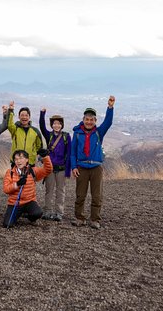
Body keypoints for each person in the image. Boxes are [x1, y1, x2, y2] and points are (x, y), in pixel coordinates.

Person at [70, 95, 116, 230]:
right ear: (83, 120)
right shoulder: (77, 133)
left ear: (95, 121)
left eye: (91, 120)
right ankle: (80, 218)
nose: (89, 122)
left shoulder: (98, 132)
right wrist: (74, 167)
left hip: (96, 167)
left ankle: (95, 219)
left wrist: (110, 107)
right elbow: (72, 152)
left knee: (97, 196)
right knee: (80, 195)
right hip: (82, 167)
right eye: (87, 119)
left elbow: (108, 122)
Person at [2, 149, 53, 228]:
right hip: (15, 203)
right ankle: (19, 214)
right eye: (16, 159)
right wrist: (17, 184)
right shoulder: (10, 172)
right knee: (7, 224)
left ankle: (29, 217)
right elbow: (6, 189)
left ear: (27, 160)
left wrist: (45, 157)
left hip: (29, 201)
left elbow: (48, 170)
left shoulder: (32, 171)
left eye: (21, 158)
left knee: (38, 213)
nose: (18, 161)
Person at [39, 109, 72, 222]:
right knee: (49, 190)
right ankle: (47, 211)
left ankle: (59, 213)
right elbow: (42, 126)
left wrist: (68, 171)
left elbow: (69, 153)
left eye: (58, 123)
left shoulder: (66, 136)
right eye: (54, 123)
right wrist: (42, 114)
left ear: (61, 125)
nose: (56, 125)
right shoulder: (49, 135)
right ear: (52, 125)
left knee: (60, 191)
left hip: (62, 168)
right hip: (50, 168)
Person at [7, 101, 44, 166]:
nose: (24, 117)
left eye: (26, 115)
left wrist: (33, 154)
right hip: (16, 162)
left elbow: (39, 146)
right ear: (19, 117)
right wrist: (11, 110)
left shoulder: (35, 131)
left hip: (30, 163)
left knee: (29, 176)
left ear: (29, 117)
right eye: (22, 115)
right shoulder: (15, 129)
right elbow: (9, 124)